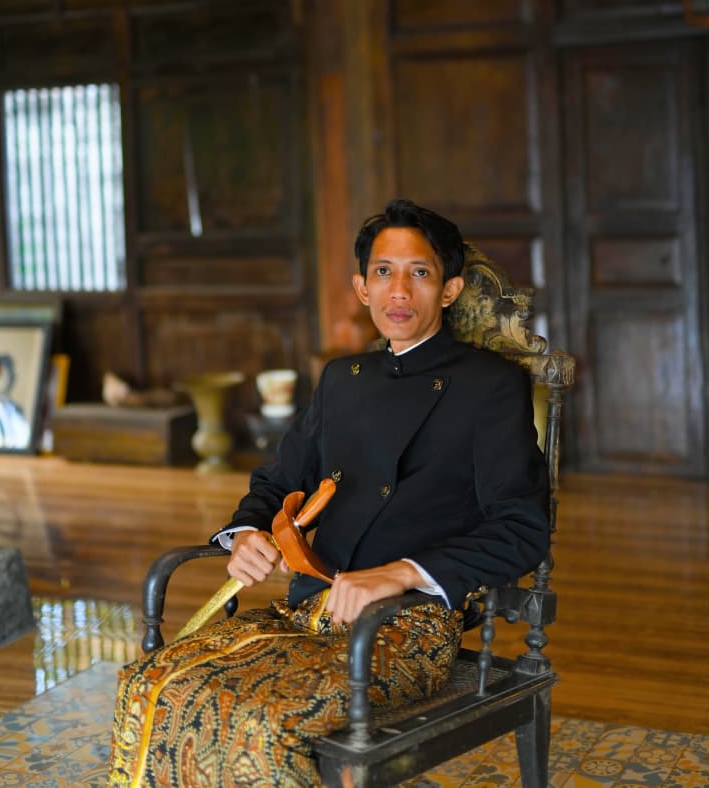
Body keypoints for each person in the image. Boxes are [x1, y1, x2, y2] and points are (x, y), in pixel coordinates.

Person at [108, 198, 549, 787]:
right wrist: (248, 534)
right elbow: (278, 482)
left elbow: (521, 529)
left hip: (405, 626)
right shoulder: (343, 380)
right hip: (306, 609)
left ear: (449, 289)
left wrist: (399, 573)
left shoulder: (490, 386)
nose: (399, 290)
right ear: (362, 288)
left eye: (419, 272)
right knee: (145, 682)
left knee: (262, 720)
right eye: (383, 272)